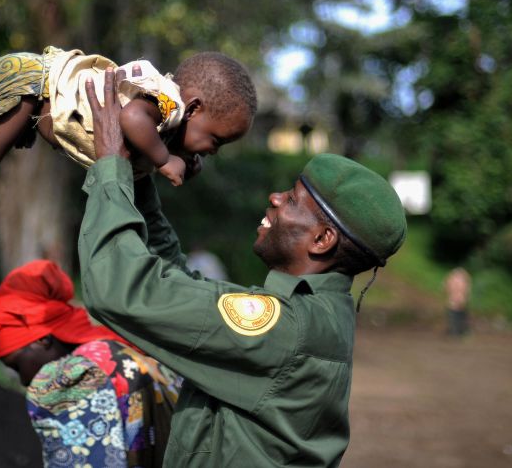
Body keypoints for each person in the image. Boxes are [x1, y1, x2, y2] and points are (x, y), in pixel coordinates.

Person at [75, 67, 408, 467]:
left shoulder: (286, 327)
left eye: (293, 200)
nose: (274, 198)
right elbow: (177, 285)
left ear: (322, 240)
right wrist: (140, 177)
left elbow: (119, 291)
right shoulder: (314, 317)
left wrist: (111, 169)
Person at [0, 46, 257, 228]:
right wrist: (164, 160)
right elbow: (132, 120)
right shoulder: (165, 105)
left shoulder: (167, 106)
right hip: (34, 83)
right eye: (216, 141)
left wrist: (183, 160)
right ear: (193, 109)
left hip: (34, 78)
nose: (213, 151)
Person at [0, 259, 183, 468]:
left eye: (17, 365)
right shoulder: (133, 355)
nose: (24, 380)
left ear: (41, 340)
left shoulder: (71, 378)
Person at [444, 266, 471, 336]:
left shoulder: (461, 280)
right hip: (454, 302)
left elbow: (465, 290)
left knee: (460, 317)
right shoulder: (454, 280)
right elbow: (448, 288)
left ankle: (458, 332)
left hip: (458, 301)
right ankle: (455, 332)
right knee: (454, 317)